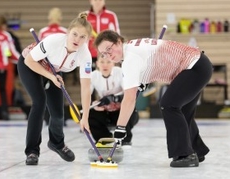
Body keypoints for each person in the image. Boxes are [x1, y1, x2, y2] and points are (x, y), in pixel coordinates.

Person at [93, 30, 212, 168]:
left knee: (169, 105)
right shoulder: (132, 47)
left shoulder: (130, 58)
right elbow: (150, 62)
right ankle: (196, 150)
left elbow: (129, 99)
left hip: (194, 67)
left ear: (119, 41)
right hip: (200, 64)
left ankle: (185, 155)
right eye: (104, 53)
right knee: (182, 111)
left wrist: (120, 128)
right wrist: (143, 79)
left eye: (109, 49)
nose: (108, 55)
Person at [17, 12, 92, 165]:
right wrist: (51, 76)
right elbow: (30, 61)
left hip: (54, 71)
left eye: (82, 37)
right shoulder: (54, 41)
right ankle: (32, 151)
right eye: (75, 34)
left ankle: (56, 143)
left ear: (87, 39)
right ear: (68, 32)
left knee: (58, 113)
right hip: (30, 65)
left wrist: (85, 117)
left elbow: (86, 88)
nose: (77, 39)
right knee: (40, 102)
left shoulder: (85, 55)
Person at [89, 56, 139, 146]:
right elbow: (87, 95)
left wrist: (115, 98)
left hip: (120, 107)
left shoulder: (120, 72)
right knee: (90, 113)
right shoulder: (93, 76)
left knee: (128, 109)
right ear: (97, 63)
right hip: (105, 109)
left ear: (113, 63)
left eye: (108, 62)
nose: (105, 65)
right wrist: (95, 104)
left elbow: (128, 92)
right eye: (102, 62)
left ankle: (125, 139)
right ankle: (104, 139)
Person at [38, 7, 69, 125]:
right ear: (60, 18)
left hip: (45, 66)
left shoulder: (43, 31)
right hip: (60, 65)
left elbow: (39, 49)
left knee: (45, 91)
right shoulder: (64, 31)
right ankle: (61, 118)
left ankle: (47, 117)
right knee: (60, 91)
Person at [0, 15, 20, 120]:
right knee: (2, 90)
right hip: (1, 66)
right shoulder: (5, 35)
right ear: (3, 25)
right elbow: (11, 51)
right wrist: (22, 60)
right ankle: (4, 113)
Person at [87, 0, 120, 71]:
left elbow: (117, 36)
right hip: (89, 55)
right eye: (95, 0)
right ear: (90, 1)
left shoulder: (111, 15)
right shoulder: (85, 16)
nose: (98, 2)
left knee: (107, 78)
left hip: (107, 55)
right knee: (88, 76)